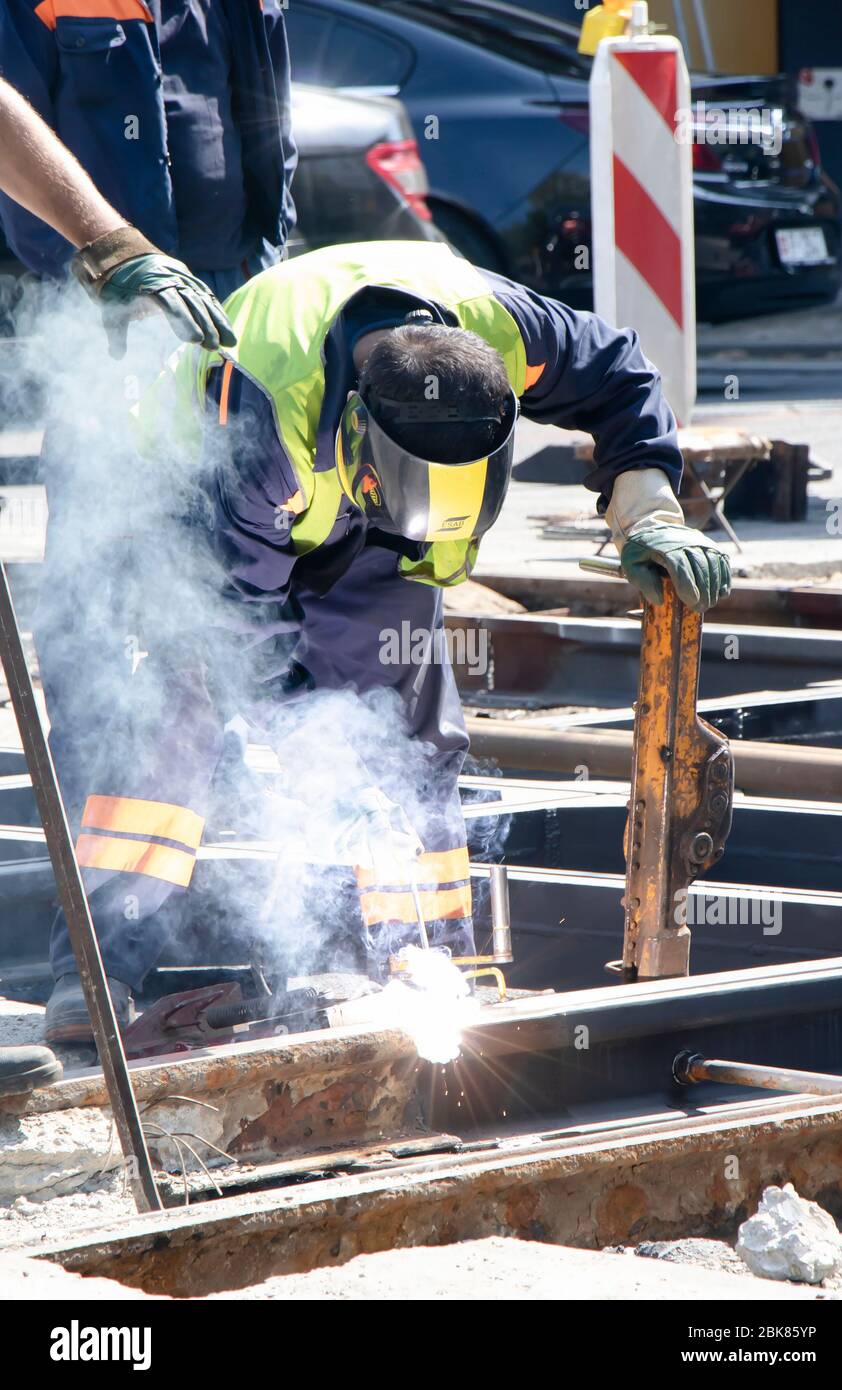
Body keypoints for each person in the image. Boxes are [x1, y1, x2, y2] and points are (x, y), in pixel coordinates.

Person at [44, 239, 730, 1044]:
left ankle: (421, 960)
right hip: (189, 507)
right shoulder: (257, 411)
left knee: (408, 739)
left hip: (359, 513)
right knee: (175, 723)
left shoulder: (505, 335)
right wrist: (310, 750)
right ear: (360, 432)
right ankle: (97, 971)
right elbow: (238, 635)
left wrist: (646, 504)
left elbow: (619, 374)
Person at [0, 74, 236, 1088]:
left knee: (192, 672)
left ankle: (113, 957)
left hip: (211, 337)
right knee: (113, 664)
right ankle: (89, 962)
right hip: (103, 342)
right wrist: (102, 242)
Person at [0, 1, 296, 297]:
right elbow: (13, 148)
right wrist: (97, 272)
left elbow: (273, 119)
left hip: (240, 271)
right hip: (115, 286)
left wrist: (271, 243)